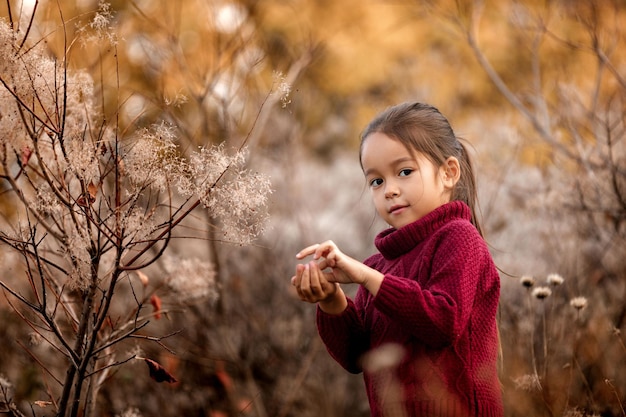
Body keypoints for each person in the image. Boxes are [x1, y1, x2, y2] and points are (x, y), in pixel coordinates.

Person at [291, 102, 504, 417]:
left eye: (404, 172)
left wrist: (367, 278)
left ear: (448, 173)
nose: (389, 190)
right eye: (376, 181)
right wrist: (331, 299)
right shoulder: (380, 264)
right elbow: (357, 357)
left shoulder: (460, 239)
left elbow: (444, 323)